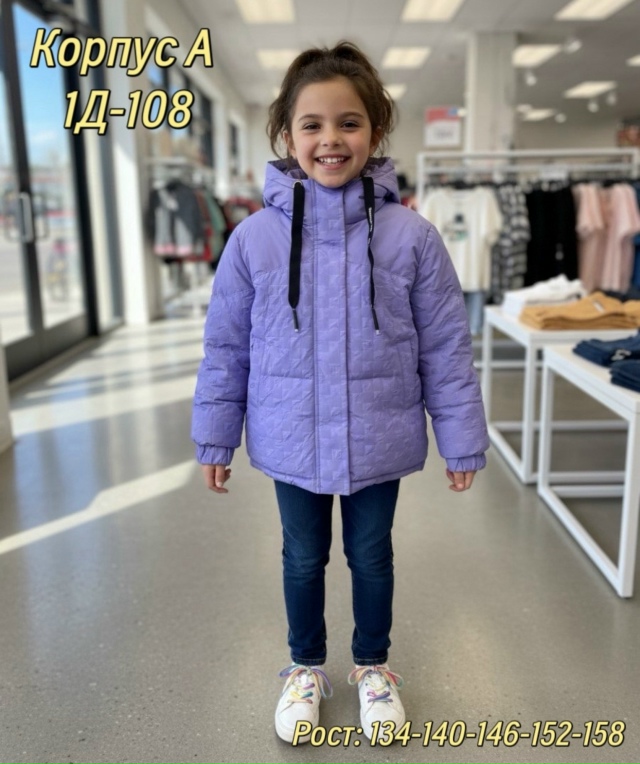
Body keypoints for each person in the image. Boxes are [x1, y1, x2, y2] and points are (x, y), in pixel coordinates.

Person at [191, 41, 489, 745]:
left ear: (375, 131)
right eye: (313, 124)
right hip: (290, 432)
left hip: (377, 435)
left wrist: (461, 438)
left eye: (349, 122)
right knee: (302, 557)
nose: (331, 139)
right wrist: (215, 435)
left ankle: (372, 667)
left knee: (372, 554)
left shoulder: (413, 237)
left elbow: (446, 345)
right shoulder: (252, 240)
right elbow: (227, 346)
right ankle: (304, 668)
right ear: (286, 135)